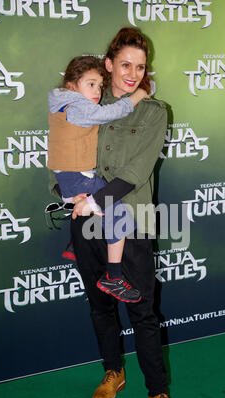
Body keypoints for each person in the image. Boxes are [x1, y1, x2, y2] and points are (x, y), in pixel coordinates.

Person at [49, 27, 185, 398]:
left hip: (132, 223)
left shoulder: (154, 111)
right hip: (85, 221)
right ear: (107, 65)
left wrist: (96, 200)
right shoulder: (84, 103)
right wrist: (68, 194)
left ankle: (157, 393)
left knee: (142, 311)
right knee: (99, 304)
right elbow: (61, 151)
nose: (133, 73)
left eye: (140, 67)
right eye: (125, 64)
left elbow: (136, 172)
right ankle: (113, 371)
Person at [47, 55, 149, 303]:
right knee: (119, 216)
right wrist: (140, 94)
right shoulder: (78, 107)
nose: (97, 91)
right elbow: (113, 112)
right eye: (90, 84)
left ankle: (75, 244)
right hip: (78, 177)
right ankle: (113, 277)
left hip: (69, 178)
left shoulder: (61, 104)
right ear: (72, 85)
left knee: (100, 208)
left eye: (99, 85)